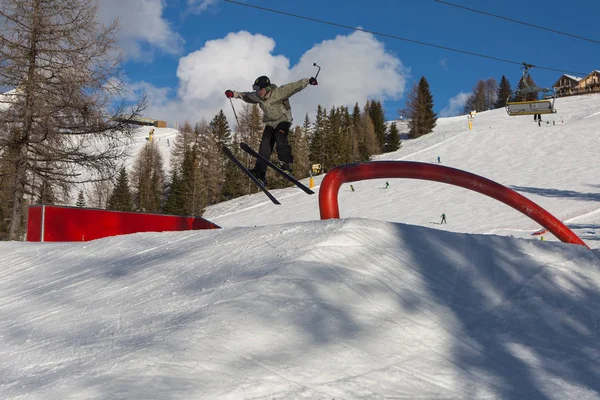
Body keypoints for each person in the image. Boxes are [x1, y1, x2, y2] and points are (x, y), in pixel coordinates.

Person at [225, 75, 318, 185]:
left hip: (283, 120)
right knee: (265, 144)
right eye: (256, 89)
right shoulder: (258, 96)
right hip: (270, 123)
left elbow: (294, 87)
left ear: (267, 88)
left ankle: (286, 164)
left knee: (280, 136)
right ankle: (260, 173)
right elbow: (246, 96)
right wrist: (234, 94)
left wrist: (308, 81)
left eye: (260, 89)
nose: (258, 92)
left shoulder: (279, 92)